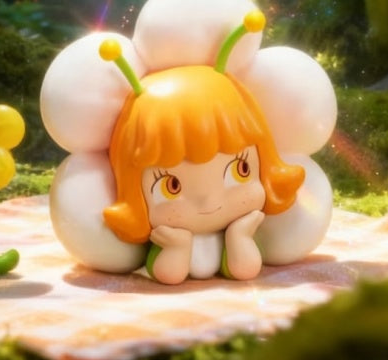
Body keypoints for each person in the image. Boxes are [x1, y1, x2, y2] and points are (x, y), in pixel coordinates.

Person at [100, 34, 304, 285]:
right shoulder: (170, 236)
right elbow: (169, 275)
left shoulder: (238, 227)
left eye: (240, 169)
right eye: (171, 186)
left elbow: (245, 269)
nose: (209, 201)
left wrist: (240, 236)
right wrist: (176, 248)